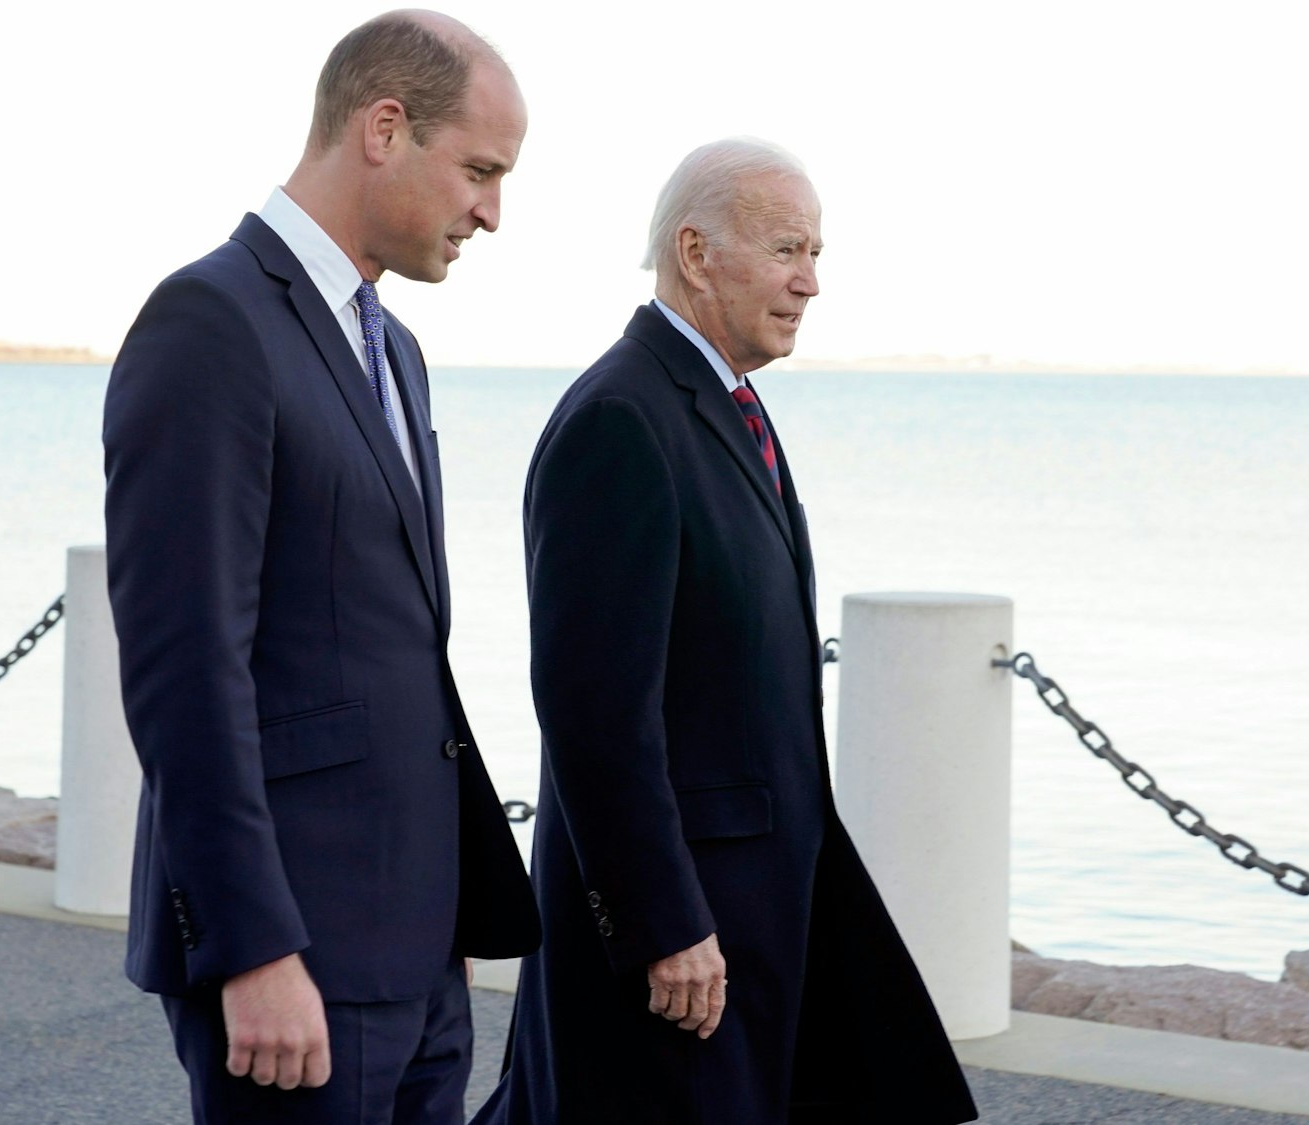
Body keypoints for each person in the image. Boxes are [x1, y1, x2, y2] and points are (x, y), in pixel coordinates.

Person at [473, 139, 978, 1124]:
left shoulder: (726, 405)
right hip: (683, 940)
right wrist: (662, 922)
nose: (810, 282)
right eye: (789, 250)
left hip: (760, 914)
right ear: (697, 253)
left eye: (816, 253)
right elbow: (594, 711)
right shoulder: (620, 419)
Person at [101, 11, 538, 1122]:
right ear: (384, 128)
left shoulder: (394, 348)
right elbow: (185, 668)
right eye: (480, 171)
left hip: (418, 958)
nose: (491, 212)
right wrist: (251, 950)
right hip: (291, 960)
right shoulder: (209, 321)